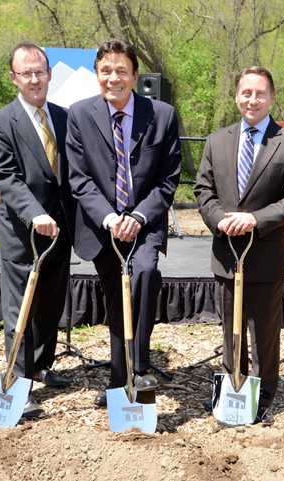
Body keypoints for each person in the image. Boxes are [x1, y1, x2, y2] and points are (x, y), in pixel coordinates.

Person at [66, 39, 181, 407]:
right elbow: (79, 178)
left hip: (144, 224)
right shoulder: (80, 115)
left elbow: (168, 179)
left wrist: (137, 216)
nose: (113, 78)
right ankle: (121, 380)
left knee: (145, 275)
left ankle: (139, 364)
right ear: (97, 75)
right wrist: (111, 217)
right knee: (117, 299)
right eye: (105, 71)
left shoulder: (161, 115)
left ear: (134, 76)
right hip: (104, 226)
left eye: (121, 71)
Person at [194, 66, 284, 423]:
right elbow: (203, 190)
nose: (252, 99)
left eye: (260, 93)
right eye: (246, 93)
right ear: (236, 96)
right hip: (226, 252)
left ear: (272, 97)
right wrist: (220, 219)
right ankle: (233, 387)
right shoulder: (217, 141)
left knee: (263, 333)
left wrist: (255, 220)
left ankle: (262, 396)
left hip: (263, 255)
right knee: (231, 330)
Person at [0, 42, 73, 419]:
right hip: (24, 229)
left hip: (62, 228)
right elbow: (5, 177)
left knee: (51, 301)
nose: (35, 79)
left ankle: (40, 365)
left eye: (40, 71)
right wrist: (34, 213)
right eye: (26, 73)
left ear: (50, 74)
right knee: (20, 305)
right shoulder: (0, 123)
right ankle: (17, 382)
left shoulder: (66, 117)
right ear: (14, 78)